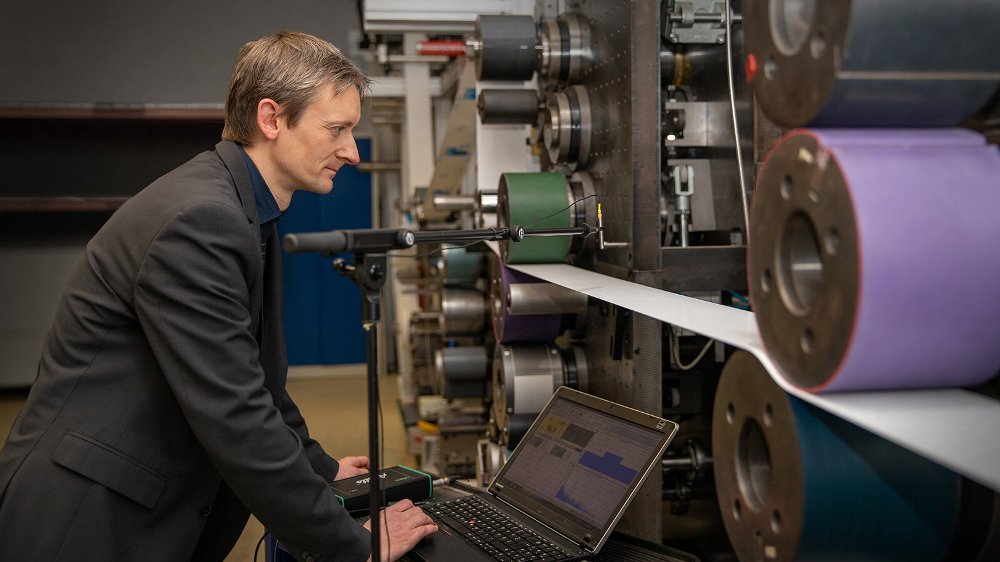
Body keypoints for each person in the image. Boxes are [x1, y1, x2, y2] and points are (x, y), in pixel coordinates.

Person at [0, 31, 436, 562]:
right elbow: (236, 414)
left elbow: (255, 382)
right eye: (337, 129)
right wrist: (352, 545)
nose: (350, 151)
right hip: (84, 520)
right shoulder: (200, 219)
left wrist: (322, 469)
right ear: (272, 119)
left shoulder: (243, 208)